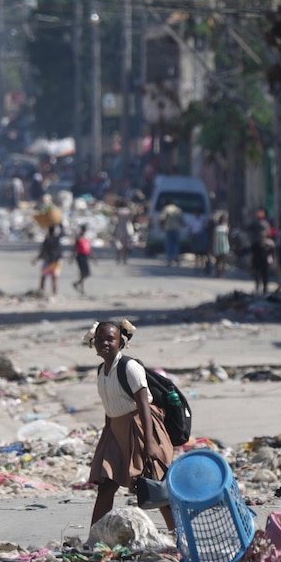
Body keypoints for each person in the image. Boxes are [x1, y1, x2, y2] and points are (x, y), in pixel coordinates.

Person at [87, 320, 176, 531]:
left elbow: (144, 404)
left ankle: (181, 535)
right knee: (106, 485)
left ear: (121, 342)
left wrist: (150, 443)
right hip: (115, 431)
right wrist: (107, 436)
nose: (104, 343)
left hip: (140, 427)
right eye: (100, 340)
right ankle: (95, 537)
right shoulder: (102, 371)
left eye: (110, 339)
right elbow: (109, 405)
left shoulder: (130, 367)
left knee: (156, 485)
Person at [36, 223, 64, 298]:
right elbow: (62, 232)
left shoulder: (47, 239)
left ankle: (41, 292)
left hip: (48, 261)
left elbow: (43, 251)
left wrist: (36, 259)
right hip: (57, 261)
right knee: (54, 279)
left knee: (43, 277)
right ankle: (54, 294)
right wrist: (60, 223)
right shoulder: (57, 238)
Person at [71, 224, 95, 295]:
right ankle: (82, 289)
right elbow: (75, 248)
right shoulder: (79, 237)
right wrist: (71, 257)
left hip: (85, 256)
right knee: (83, 273)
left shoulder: (86, 237)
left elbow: (89, 248)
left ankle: (77, 284)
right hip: (80, 256)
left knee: (87, 273)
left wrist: (93, 257)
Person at [210, 212, 231, 277]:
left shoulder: (222, 227)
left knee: (221, 261)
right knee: (221, 261)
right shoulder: (221, 228)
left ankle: (220, 273)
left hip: (221, 246)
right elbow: (214, 236)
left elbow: (213, 238)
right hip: (221, 246)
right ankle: (220, 273)